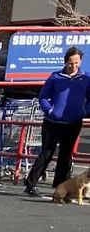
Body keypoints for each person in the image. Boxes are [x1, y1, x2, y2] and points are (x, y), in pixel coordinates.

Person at [23, 46, 90, 196]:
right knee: (47, 152)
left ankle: (61, 185)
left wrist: (85, 111)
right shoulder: (55, 77)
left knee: (66, 154)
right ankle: (30, 184)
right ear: (65, 62)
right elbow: (43, 97)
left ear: (81, 61)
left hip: (73, 123)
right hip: (52, 123)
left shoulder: (86, 78)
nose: (73, 66)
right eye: (70, 63)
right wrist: (50, 110)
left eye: (76, 63)